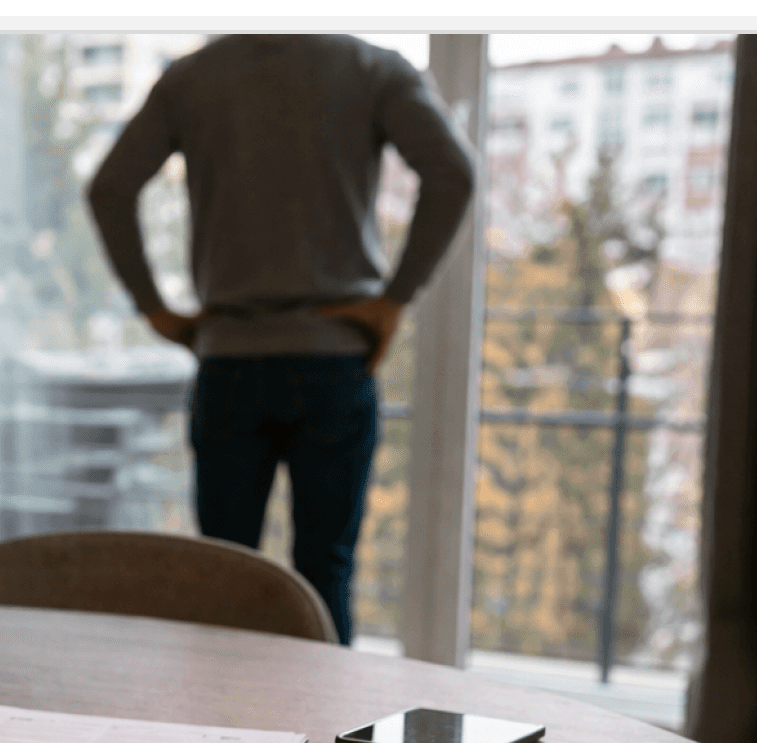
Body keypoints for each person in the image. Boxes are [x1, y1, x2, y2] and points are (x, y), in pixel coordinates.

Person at [87, 34, 475, 645]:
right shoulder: (370, 67)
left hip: (230, 365)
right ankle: (321, 736)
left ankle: (222, 738)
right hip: (334, 362)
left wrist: (155, 308)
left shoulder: (193, 77)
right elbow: (453, 172)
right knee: (325, 578)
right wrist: (395, 297)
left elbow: (109, 188)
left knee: (224, 577)